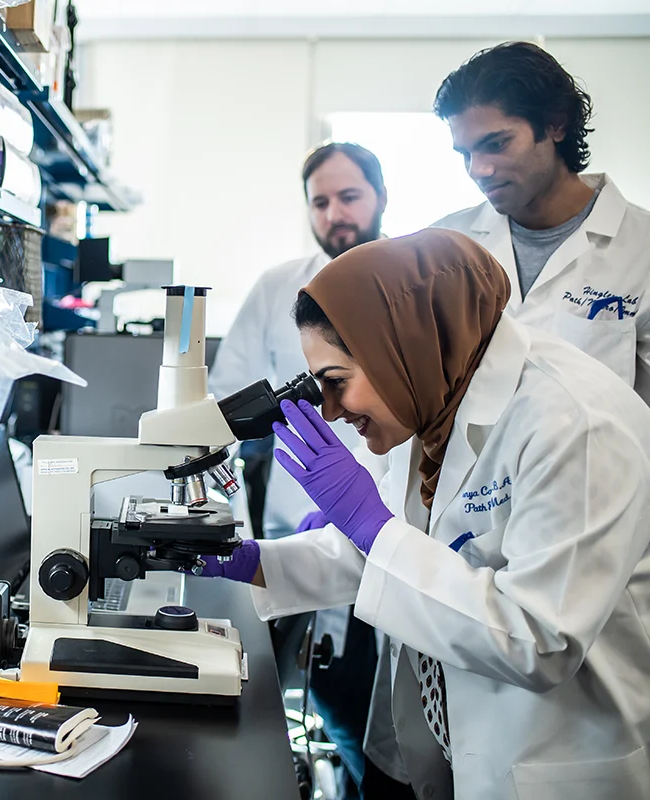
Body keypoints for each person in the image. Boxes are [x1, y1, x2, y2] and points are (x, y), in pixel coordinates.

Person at [204, 228, 650, 799]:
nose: (334, 412)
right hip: (443, 743)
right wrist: (256, 562)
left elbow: (539, 638)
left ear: (402, 345)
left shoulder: (575, 424)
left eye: (336, 383)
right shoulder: (434, 396)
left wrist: (369, 522)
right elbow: (389, 553)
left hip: (550, 759)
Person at [208, 142, 393, 800]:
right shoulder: (279, 286)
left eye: (349, 196)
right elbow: (224, 407)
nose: (335, 212)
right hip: (311, 526)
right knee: (339, 712)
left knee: (373, 722)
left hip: (392, 526)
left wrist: (369, 517)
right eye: (320, 200)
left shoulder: (415, 283)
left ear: (380, 196)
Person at [432, 41, 650, 402]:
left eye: (497, 144)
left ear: (556, 125)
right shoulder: (442, 245)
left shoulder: (641, 248)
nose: (478, 169)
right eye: (466, 153)